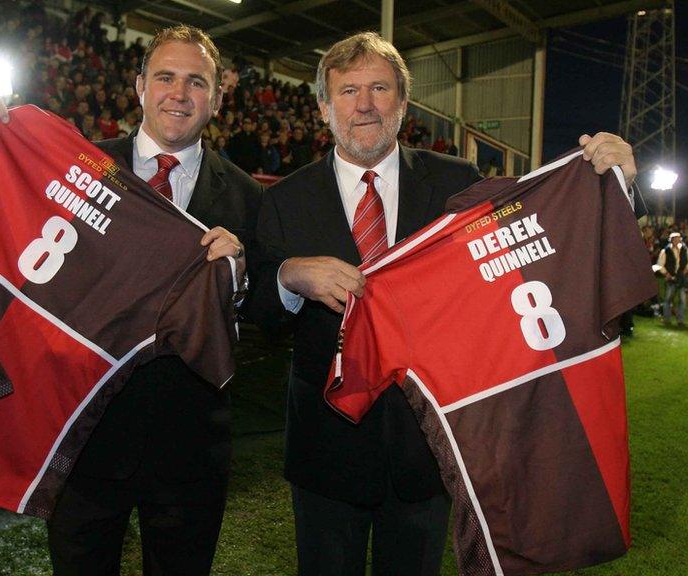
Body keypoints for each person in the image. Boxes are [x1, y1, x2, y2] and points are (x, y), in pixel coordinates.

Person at [247, 32, 639, 576]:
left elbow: (535, 245)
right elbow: (259, 312)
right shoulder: (285, 197)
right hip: (325, 449)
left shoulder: (457, 183)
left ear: (403, 104)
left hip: (428, 449)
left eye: (380, 88)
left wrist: (609, 185)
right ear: (322, 106)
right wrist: (290, 277)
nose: (364, 105)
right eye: (348, 90)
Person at [0, 24, 260, 576]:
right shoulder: (78, 168)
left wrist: (240, 279)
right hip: (83, 434)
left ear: (218, 98)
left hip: (190, 444)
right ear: (139, 87)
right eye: (165, 77)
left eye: (196, 82)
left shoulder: (250, 199)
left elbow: (266, 321)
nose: (179, 94)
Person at [656, 231, 688, 326]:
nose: (677, 240)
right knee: (668, 299)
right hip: (671, 278)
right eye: (675, 239)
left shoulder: (685, 250)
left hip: (681, 278)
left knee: (682, 299)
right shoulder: (665, 251)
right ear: (671, 240)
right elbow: (660, 264)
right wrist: (666, 274)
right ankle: (667, 318)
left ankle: (680, 320)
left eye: (678, 239)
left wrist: (686, 270)